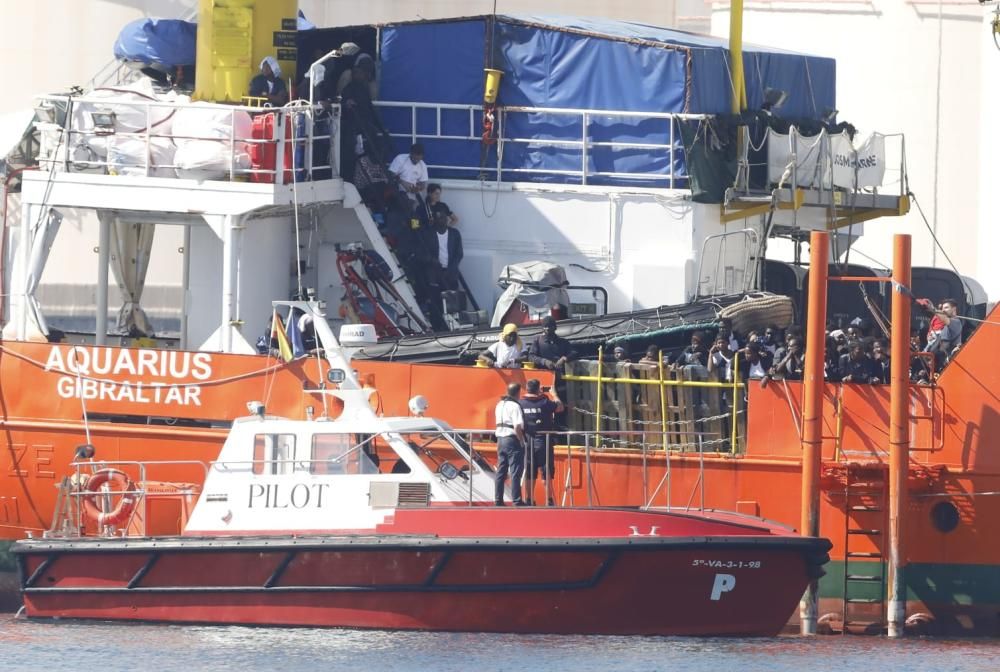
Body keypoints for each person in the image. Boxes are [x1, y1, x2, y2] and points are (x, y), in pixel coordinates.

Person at [519, 379, 563, 506]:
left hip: (527, 440)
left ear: (527, 389)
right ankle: (549, 500)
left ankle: (529, 500)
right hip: (543, 440)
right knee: (546, 471)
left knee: (529, 472)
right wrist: (553, 394)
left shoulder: (520, 404)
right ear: (538, 389)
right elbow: (560, 407)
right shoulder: (544, 402)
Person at [494, 382, 526, 506]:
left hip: (500, 440)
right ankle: (517, 500)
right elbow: (517, 426)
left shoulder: (499, 404)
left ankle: (498, 500)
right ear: (518, 393)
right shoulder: (515, 406)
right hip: (512, 440)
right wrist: (521, 441)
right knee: (515, 471)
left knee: (501, 470)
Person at [426, 210, 463, 291]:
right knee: (437, 298)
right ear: (435, 220)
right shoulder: (429, 234)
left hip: (451, 273)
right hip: (435, 273)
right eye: (438, 218)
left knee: (452, 299)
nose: (441, 220)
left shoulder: (455, 234)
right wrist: (432, 260)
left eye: (443, 218)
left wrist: (450, 268)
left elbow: (459, 254)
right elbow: (424, 252)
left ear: (447, 220)